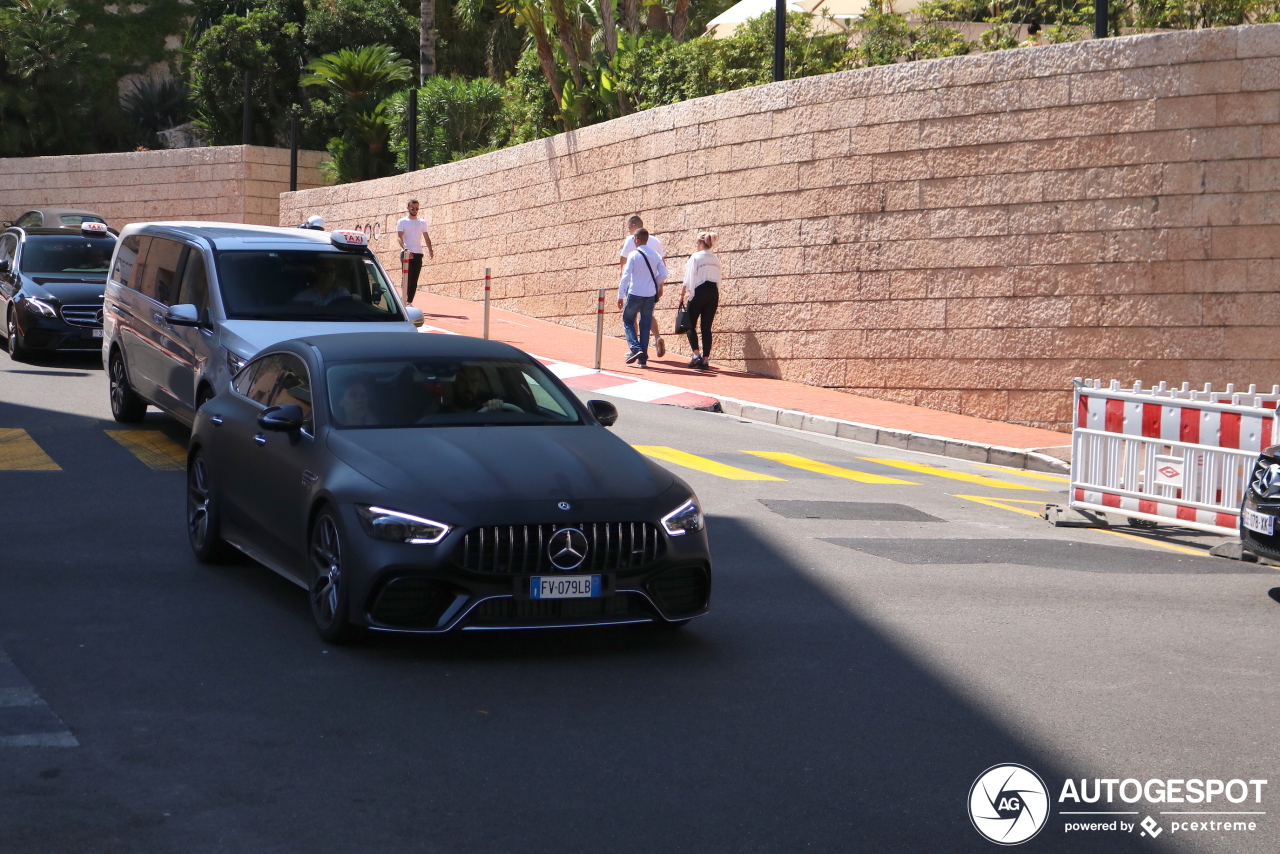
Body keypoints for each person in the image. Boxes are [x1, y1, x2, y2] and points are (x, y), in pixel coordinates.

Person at [618, 215, 668, 357]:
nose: (629, 232)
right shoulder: (656, 241)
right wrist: (660, 284)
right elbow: (663, 265)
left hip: (635, 285)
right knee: (647, 316)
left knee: (631, 317)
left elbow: (622, 261)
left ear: (634, 226)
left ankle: (635, 348)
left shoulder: (631, 240)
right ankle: (657, 337)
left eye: (629, 228)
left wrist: (621, 290)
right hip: (652, 286)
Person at [681, 231, 722, 370]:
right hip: (713, 293)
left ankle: (696, 354)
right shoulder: (716, 259)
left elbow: (688, 278)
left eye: (697, 242)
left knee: (690, 324)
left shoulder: (696, 257)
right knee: (706, 327)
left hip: (699, 291)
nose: (695, 245)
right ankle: (705, 360)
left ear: (701, 243)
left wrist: (682, 295)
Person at [396, 199, 433, 304]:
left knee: (414, 280)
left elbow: (426, 237)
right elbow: (399, 237)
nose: (415, 210)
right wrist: (405, 248)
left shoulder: (422, 222)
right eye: (412, 208)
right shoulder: (402, 221)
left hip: (418, 252)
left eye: (417, 208)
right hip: (406, 252)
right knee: (406, 278)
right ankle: (403, 299)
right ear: (408, 208)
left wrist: (430, 249)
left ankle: (409, 302)